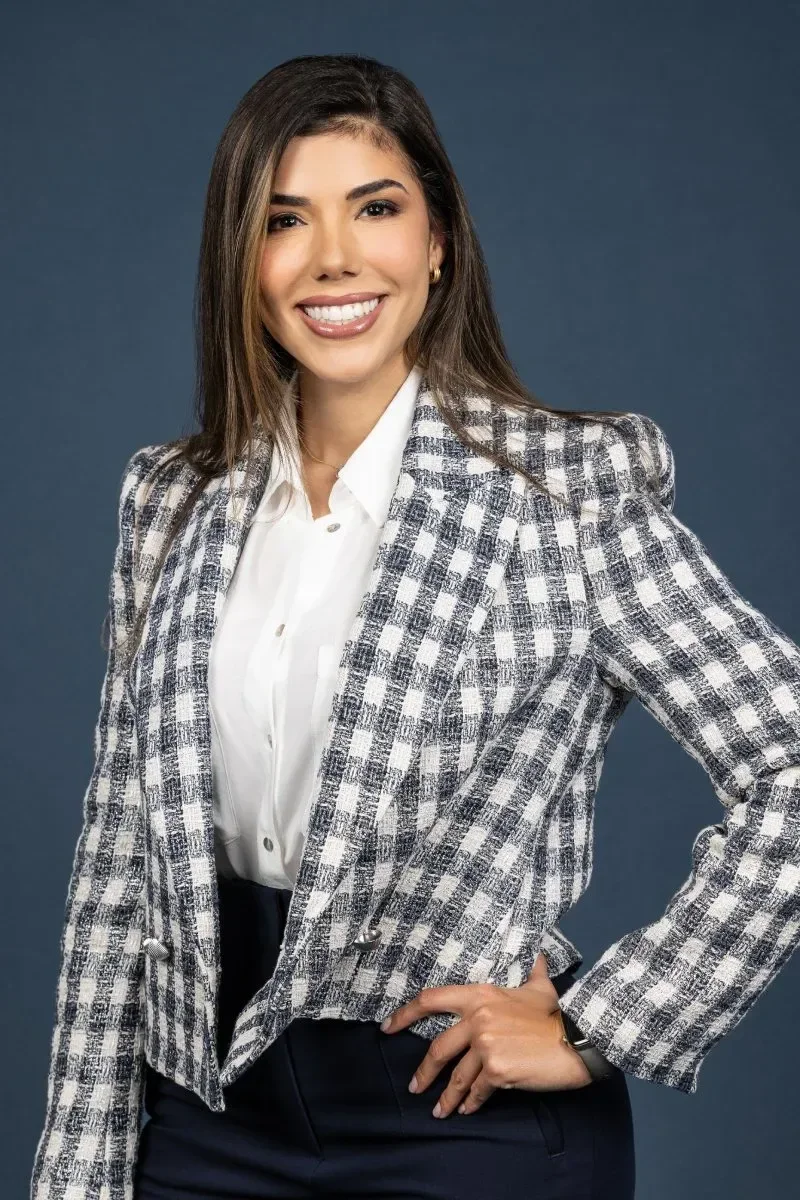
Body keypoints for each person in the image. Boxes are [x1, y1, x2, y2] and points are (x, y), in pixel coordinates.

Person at [30, 52, 800, 1200]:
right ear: (241, 261)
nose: (333, 257)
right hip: (202, 1114)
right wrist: (80, 1167)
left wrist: (603, 1024)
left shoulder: (565, 492)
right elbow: (117, 871)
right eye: (284, 219)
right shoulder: (171, 501)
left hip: (457, 1123)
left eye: (375, 208)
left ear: (437, 240)